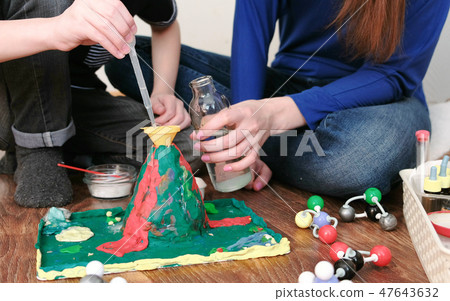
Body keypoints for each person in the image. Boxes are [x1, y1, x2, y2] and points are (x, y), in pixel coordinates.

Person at [106, 0, 449, 198]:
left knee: (353, 165)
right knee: (128, 57)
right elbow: (252, 31)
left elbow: (395, 75)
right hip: (286, 84)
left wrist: (278, 115)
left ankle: (217, 143)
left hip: (379, 101)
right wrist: (248, 114)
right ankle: (245, 143)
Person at [0, 0, 197, 208]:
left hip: (73, 102)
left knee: (184, 147)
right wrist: (57, 29)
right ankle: (38, 151)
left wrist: (163, 91)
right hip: (9, 99)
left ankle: (69, 153)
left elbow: (165, 25)